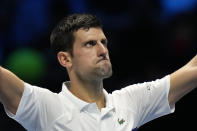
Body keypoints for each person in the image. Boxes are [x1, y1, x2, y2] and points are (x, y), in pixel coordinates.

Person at [0, 13, 196, 131]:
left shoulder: (130, 101)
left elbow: (192, 70)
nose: (103, 50)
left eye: (104, 42)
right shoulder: (44, 106)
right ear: (65, 59)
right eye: (90, 44)